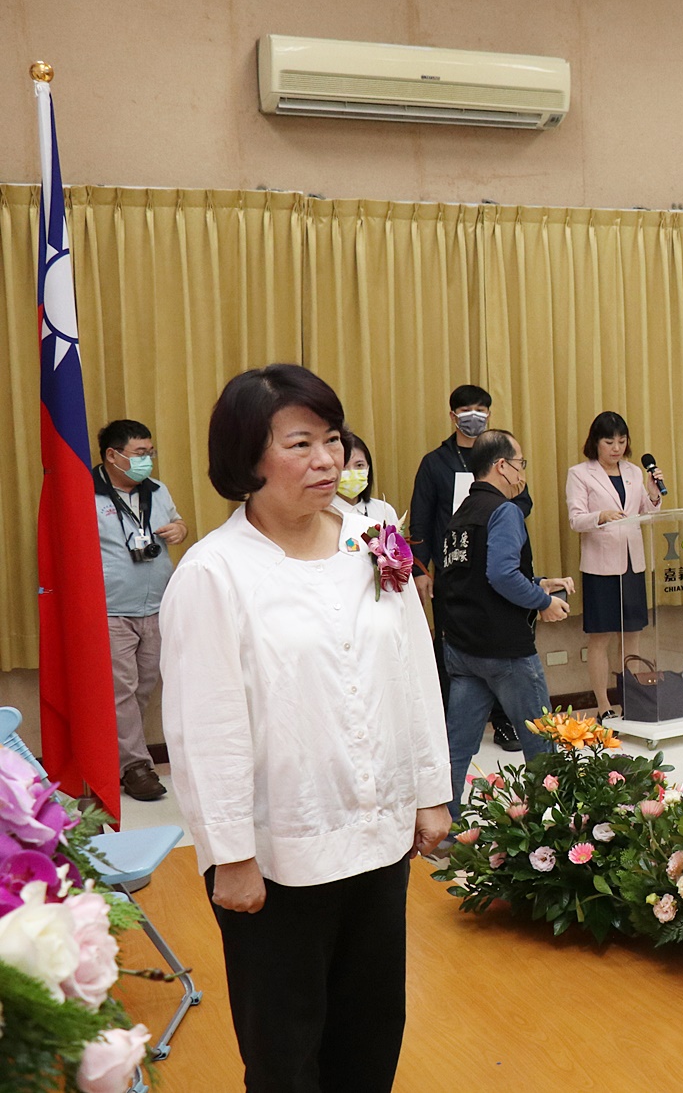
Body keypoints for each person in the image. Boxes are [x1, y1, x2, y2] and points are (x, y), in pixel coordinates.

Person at [160, 364, 448, 1093]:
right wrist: (230, 853)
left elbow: (414, 669)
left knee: (373, 1027)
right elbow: (207, 726)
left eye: (332, 439)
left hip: (378, 840)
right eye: (300, 443)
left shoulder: (373, 538)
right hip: (278, 857)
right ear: (246, 461)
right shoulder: (215, 573)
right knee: (286, 1050)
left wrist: (430, 791)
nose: (328, 460)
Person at [438, 429, 570, 808]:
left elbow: (475, 577)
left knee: (457, 749)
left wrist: (540, 581)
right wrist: (542, 600)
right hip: (505, 651)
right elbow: (501, 575)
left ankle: (445, 831)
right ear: (501, 466)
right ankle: (552, 830)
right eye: (520, 465)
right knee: (541, 744)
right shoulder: (504, 511)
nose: (521, 474)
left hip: (462, 649)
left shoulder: (459, 516)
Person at [408, 384, 530, 751]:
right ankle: (452, 725)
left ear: (490, 414)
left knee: (506, 645)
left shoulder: (503, 458)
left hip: (498, 564)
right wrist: (419, 570)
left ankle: (505, 722)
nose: (473, 416)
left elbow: (523, 502)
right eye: (466, 410)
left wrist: (490, 512)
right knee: (456, 650)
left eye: (481, 409)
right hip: (454, 571)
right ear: (453, 416)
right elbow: (421, 520)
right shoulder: (435, 462)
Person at [94, 419, 188, 802]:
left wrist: (180, 529)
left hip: (157, 606)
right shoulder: (86, 493)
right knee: (121, 690)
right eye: (139, 454)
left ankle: (119, 759)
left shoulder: (158, 490)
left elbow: (177, 522)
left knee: (143, 687)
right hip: (112, 609)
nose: (147, 460)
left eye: (150, 453)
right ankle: (136, 767)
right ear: (113, 456)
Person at [565, 411, 663, 713]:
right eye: (609, 441)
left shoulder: (634, 472)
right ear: (596, 442)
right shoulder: (580, 473)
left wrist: (655, 493)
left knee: (632, 635)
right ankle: (604, 704)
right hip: (601, 567)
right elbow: (575, 519)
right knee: (601, 637)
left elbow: (648, 513)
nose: (616, 447)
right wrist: (601, 516)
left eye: (622, 441)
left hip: (633, 563)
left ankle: (631, 699)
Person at [336, 430, 401, 529]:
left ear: (368, 469)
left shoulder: (384, 510)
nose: (352, 471)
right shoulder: (320, 514)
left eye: (359, 465)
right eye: (343, 466)